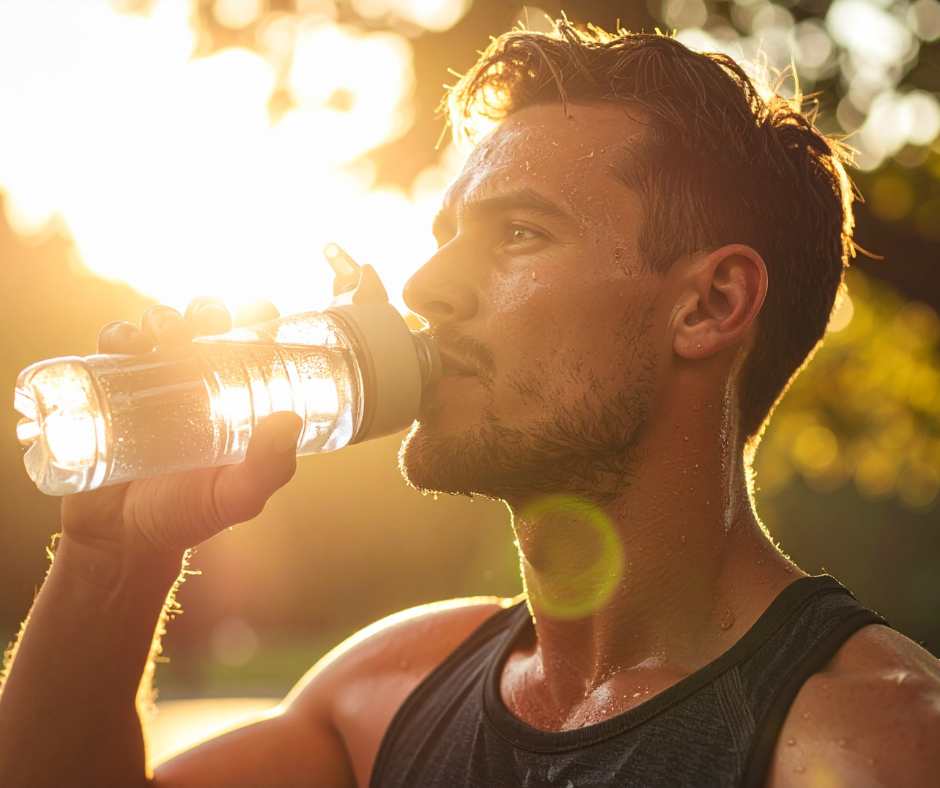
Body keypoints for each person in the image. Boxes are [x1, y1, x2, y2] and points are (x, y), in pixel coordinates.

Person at [1, 21, 937, 788]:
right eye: (446, 235)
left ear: (710, 305)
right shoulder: (387, 694)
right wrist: (111, 566)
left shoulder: (867, 741)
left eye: (519, 233)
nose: (425, 284)